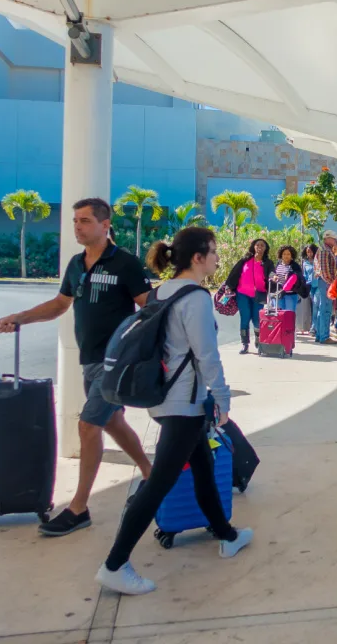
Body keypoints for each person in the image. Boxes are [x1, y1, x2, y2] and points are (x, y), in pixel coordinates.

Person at [95, 227, 253, 595]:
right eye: (213, 252)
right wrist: (224, 400)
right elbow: (206, 355)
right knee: (159, 484)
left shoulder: (161, 290)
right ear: (197, 258)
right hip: (184, 403)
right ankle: (114, 564)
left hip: (165, 398)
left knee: (203, 465)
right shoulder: (196, 298)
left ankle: (226, 534)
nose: (217, 258)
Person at [0, 198, 153, 537]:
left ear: (104, 224)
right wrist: (19, 318)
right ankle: (151, 473)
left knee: (87, 425)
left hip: (116, 362)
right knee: (111, 421)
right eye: (75, 221)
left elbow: (147, 309)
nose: (77, 227)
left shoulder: (126, 263)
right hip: (91, 360)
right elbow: (60, 304)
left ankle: (79, 508)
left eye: (84, 221)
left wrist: (139, 351)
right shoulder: (76, 265)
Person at [224, 238, 274, 355]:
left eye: (262, 245)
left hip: (259, 295)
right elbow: (234, 272)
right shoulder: (245, 260)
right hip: (242, 294)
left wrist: (274, 277)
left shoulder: (268, 262)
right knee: (245, 318)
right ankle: (245, 344)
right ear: (253, 247)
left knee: (257, 319)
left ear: (265, 248)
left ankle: (258, 337)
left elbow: (272, 272)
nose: (260, 247)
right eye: (257, 245)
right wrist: (229, 286)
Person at [312, 230, 337, 344]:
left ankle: (320, 334)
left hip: (323, 282)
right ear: (327, 238)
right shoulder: (324, 251)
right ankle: (324, 336)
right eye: (333, 239)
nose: (335, 241)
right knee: (325, 309)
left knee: (321, 309)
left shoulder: (325, 250)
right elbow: (324, 271)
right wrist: (332, 283)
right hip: (325, 282)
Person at [272, 245, 305, 313]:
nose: (286, 256)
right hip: (279, 293)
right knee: (279, 314)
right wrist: (274, 276)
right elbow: (272, 273)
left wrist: (290, 276)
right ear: (281, 255)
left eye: (288, 254)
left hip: (291, 294)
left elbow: (299, 277)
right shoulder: (278, 264)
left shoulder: (295, 265)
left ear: (291, 255)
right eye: (284, 254)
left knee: (289, 314)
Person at [297, 244, 317, 335]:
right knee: (311, 308)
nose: (309, 253)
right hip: (309, 286)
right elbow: (304, 275)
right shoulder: (305, 263)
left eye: (311, 251)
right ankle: (311, 327)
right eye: (307, 251)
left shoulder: (318, 261)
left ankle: (314, 328)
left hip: (318, 285)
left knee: (316, 307)